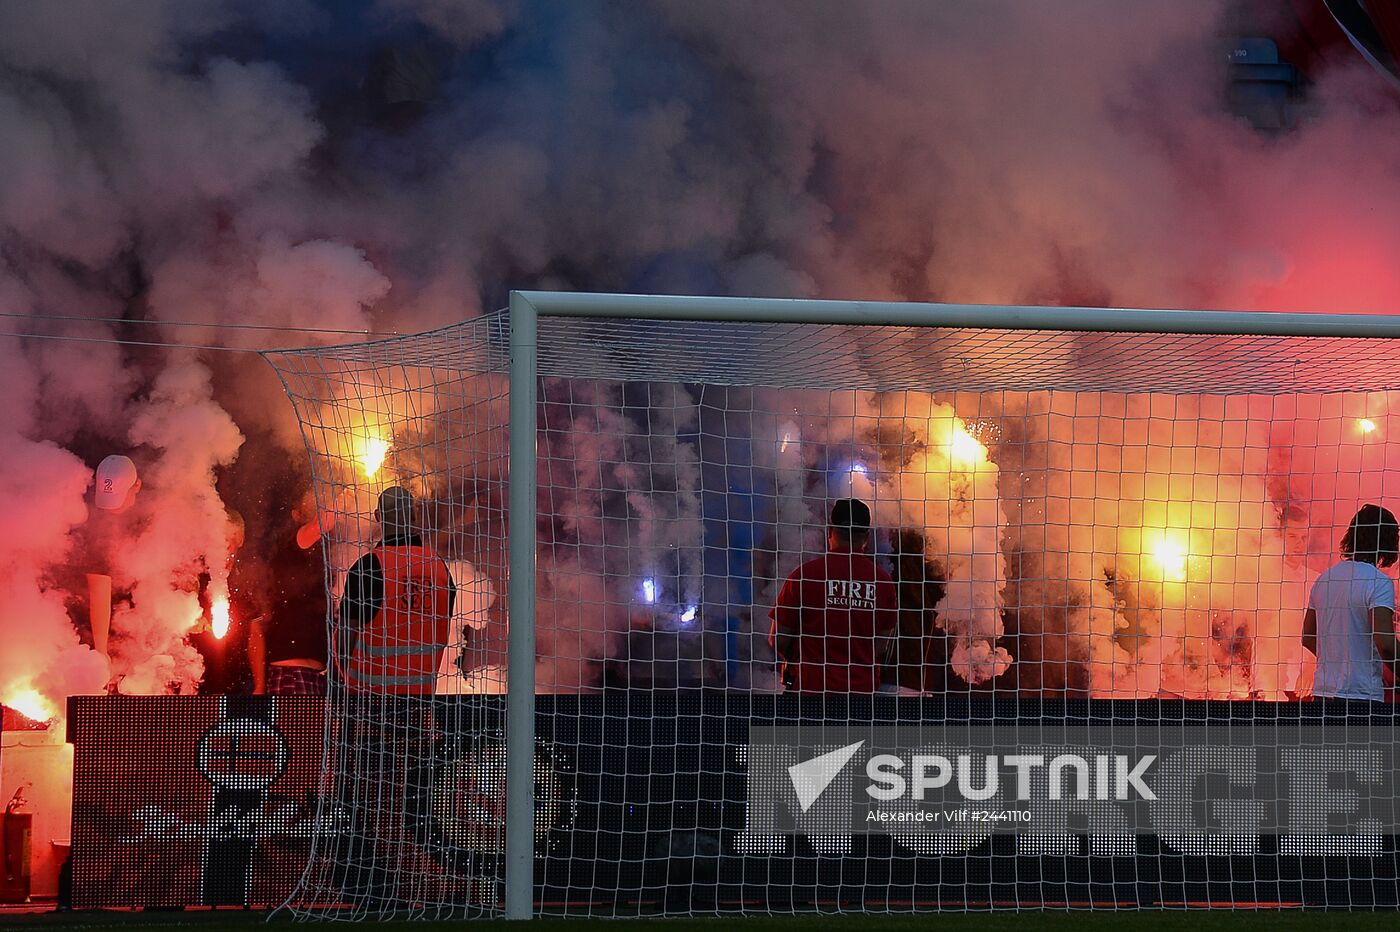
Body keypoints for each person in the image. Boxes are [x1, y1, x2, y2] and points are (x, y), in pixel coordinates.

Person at [769, 499, 898, 692]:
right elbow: (880, 646)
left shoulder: (804, 576)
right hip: (861, 697)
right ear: (866, 537)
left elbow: (778, 638)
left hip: (810, 692)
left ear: (830, 531)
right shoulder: (883, 583)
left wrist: (793, 659)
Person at [1301, 503, 1400, 701]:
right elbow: (1386, 644)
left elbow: (1308, 636)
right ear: (1388, 541)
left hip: (1322, 693)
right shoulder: (1379, 582)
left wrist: (1338, 661)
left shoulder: (1324, 579)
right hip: (1361, 697)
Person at [246, 495, 332, 695]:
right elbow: (256, 627)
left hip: (315, 677)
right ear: (296, 514)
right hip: (290, 677)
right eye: (309, 501)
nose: (316, 502)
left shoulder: (318, 562)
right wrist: (347, 496)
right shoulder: (289, 544)